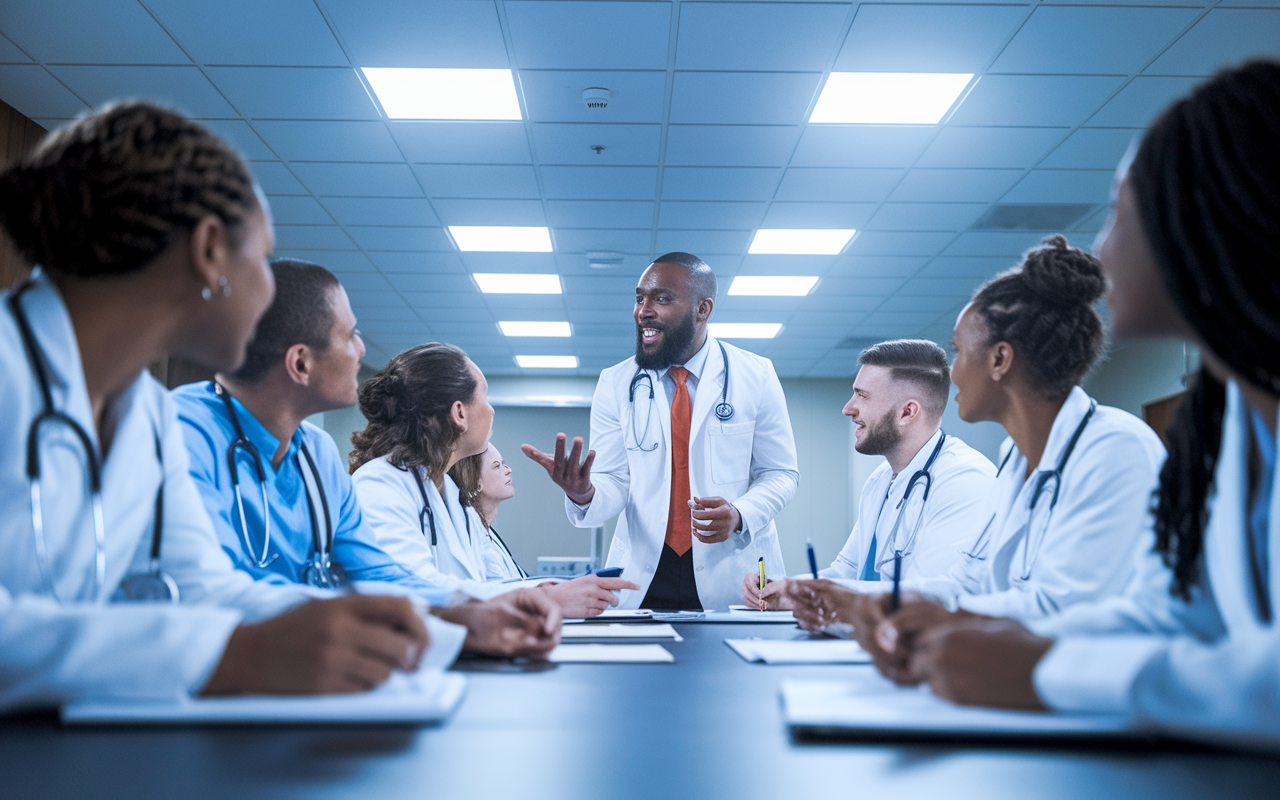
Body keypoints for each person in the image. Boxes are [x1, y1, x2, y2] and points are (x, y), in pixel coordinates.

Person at [867, 60, 1280, 750]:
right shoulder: (1224, 424)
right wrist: (963, 632)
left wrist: (1051, 669)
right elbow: (1168, 615)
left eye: (1120, 211)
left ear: (1201, 216)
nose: (1102, 247)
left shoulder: (1124, 445)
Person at [0, 102, 440, 708]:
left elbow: (205, 588)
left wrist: (411, 623)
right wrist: (232, 654)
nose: (269, 289)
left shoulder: (143, 415)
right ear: (209, 252)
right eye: (261, 258)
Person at [786, 235, 1166, 661]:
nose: (953, 374)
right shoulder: (1015, 460)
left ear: (1000, 359)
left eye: (959, 351)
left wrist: (872, 609)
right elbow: (969, 584)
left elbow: (1064, 612)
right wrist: (853, 604)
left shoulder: (1116, 448)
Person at [172, 259, 560, 659]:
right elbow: (203, 587)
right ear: (301, 363)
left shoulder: (316, 452)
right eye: (349, 334)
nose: (361, 349)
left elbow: (378, 574)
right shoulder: (182, 431)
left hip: (304, 667)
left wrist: (469, 615)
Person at [523, 252, 800, 611]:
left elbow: (781, 473)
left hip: (733, 574)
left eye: (662, 299)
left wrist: (739, 513)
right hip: (644, 576)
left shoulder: (756, 375)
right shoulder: (615, 382)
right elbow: (614, 481)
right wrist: (585, 493)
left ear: (703, 309)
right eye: (640, 298)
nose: (643, 311)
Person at [350, 343, 639, 618]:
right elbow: (408, 590)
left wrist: (550, 589)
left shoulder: (450, 492)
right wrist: (545, 600)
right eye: (485, 397)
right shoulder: (379, 484)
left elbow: (482, 586)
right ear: (459, 413)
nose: (491, 410)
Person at [743, 340, 995, 609]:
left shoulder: (966, 480)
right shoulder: (881, 479)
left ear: (907, 412)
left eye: (862, 396)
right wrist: (785, 588)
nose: (848, 408)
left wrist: (804, 595)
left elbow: (925, 598)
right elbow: (847, 571)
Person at [450, 442, 525, 581]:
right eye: (497, 466)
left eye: (504, 463)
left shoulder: (488, 533)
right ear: (473, 481)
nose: (508, 469)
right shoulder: (472, 538)